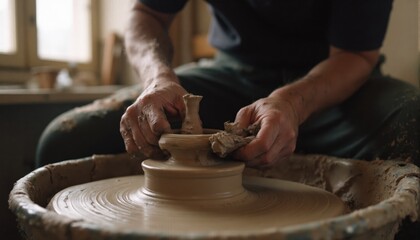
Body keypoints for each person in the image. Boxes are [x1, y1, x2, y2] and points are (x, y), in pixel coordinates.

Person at [36, 1, 419, 238]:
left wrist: (292, 103)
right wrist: (157, 78)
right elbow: (147, 13)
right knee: (65, 140)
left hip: (335, 79)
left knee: (413, 125)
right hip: (232, 75)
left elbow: (357, 56)